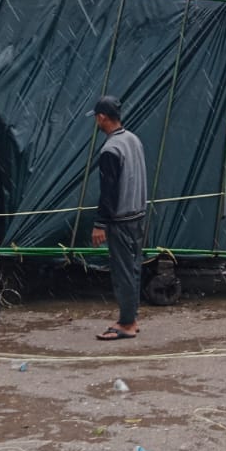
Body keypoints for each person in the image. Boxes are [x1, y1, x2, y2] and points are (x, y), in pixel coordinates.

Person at [88, 95, 148, 340]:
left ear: (102, 117)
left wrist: (100, 223)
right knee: (133, 268)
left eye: (96, 118)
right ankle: (130, 316)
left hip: (121, 220)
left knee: (122, 272)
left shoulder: (110, 149)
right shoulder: (133, 140)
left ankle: (127, 323)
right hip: (139, 216)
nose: (96, 122)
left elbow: (109, 191)